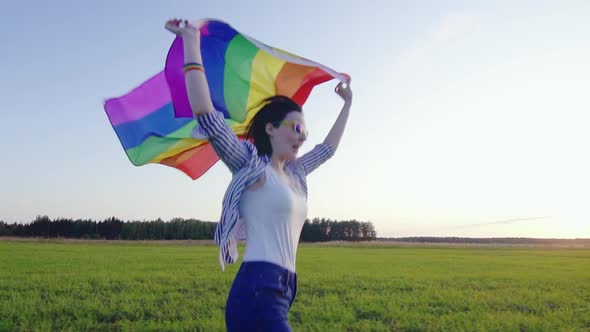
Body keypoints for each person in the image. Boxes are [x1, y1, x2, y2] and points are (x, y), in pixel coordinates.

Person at [165, 19, 352, 331]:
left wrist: (347, 104)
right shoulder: (250, 165)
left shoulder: (297, 173)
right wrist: (191, 41)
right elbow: (205, 113)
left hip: (285, 288)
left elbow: (328, 149)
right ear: (271, 129)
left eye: (304, 130)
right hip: (257, 290)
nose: (302, 135)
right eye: (295, 128)